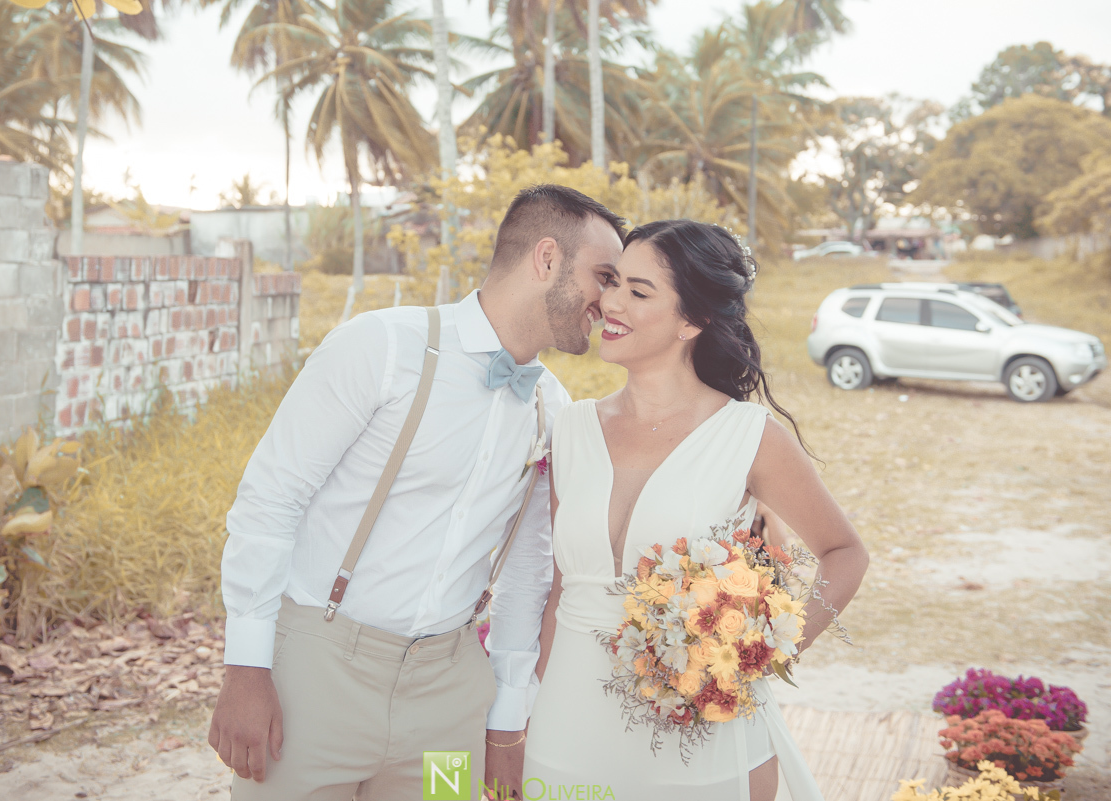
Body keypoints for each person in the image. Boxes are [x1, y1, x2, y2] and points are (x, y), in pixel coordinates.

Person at [208, 185, 625, 800]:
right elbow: (271, 497)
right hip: (317, 669)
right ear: (546, 258)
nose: (610, 300)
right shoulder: (382, 346)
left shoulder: (552, 407)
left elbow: (527, 572)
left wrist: (507, 720)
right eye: (604, 276)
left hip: (448, 697)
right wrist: (246, 667)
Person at [519, 220, 870, 801]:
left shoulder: (749, 435)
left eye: (638, 291)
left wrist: (761, 655)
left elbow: (846, 552)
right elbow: (559, 587)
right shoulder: (573, 428)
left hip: (695, 728)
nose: (610, 302)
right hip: (567, 721)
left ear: (692, 320)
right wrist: (527, 706)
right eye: (613, 282)